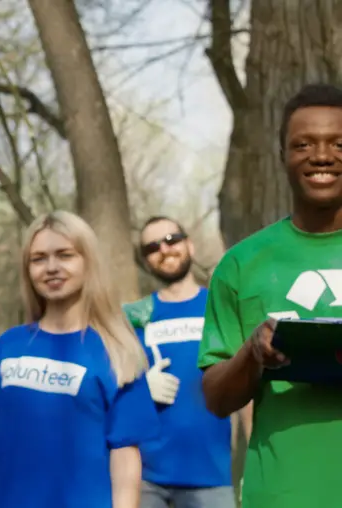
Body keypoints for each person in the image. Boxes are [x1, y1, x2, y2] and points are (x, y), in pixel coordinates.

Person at [199, 83, 342, 508]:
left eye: (338, 142)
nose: (321, 156)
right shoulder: (241, 265)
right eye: (303, 144)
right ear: (282, 155)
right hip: (281, 495)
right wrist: (252, 353)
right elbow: (216, 399)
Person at [0, 210, 159, 508]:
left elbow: (125, 458)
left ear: (88, 262)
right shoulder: (10, 344)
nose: (51, 267)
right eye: (38, 258)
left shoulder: (119, 351)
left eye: (65, 255)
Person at [124, 216, 236, 508]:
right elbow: (108, 393)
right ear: (146, 261)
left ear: (190, 245)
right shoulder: (135, 317)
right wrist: (139, 391)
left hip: (212, 476)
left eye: (172, 240)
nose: (164, 249)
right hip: (145, 478)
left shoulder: (219, 308)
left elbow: (246, 389)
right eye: (152, 246)